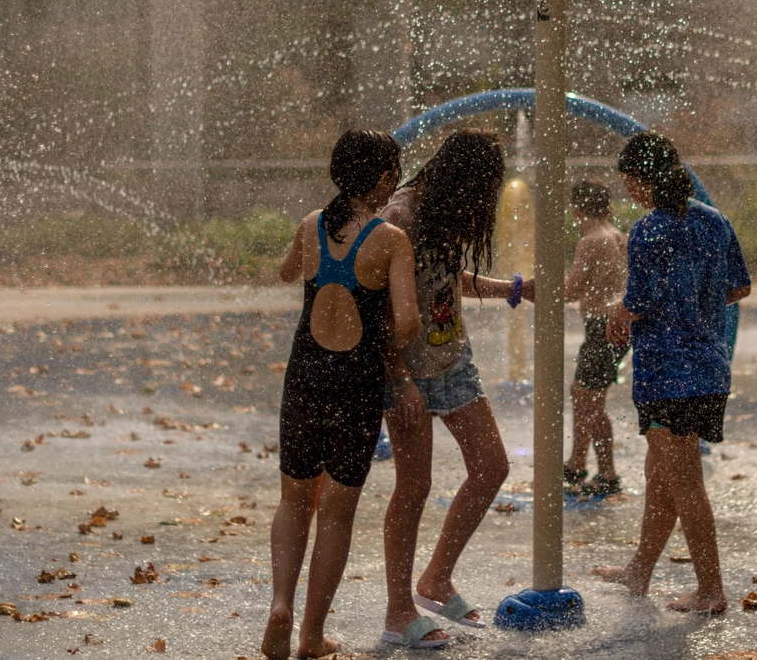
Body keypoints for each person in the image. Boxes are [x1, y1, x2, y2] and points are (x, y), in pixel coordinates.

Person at [267, 129, 422, 659]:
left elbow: (288, 272)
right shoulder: (390, 241)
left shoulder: (311, 225)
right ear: (381, 180)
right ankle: (311, 636)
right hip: (354, 384)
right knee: (335, 513)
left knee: (293, 500)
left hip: (303, 377)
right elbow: (406, 323)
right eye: (393, 175)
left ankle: (279, 606)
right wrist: (395, 354)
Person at [379, 130, 533, 641]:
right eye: (483, 188)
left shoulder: (442, 212)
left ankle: (436, 577)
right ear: (461, 179)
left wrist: (514, 289)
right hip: (408, 371)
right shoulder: (399, 218)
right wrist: (398, 381)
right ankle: (399, 610)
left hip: (452, 360)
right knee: (414, 487)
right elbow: (377, 305)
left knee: (492, 465)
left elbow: (448, 279)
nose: (485, 201)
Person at [592, 132, 750, 614]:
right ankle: (640, 570)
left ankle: (711, 590)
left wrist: (616, 313)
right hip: (709, 370)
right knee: (660, 474)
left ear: (642, 181)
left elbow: (637, 303)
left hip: (667, 376)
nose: (627, 192)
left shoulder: (649, 229)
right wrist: (695, 309)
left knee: (685, 485)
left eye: (628, 182)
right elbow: (739, 288)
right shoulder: (715, 221)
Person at [563, 180, 629, 496]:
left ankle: (604, 472)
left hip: (601, 327)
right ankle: (577, 465)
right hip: (616, 327)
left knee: (586, 398)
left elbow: (573, 289)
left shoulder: (590, 240)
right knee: (586, 396)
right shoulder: (618, 235)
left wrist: (541, 287)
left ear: (576, 209)